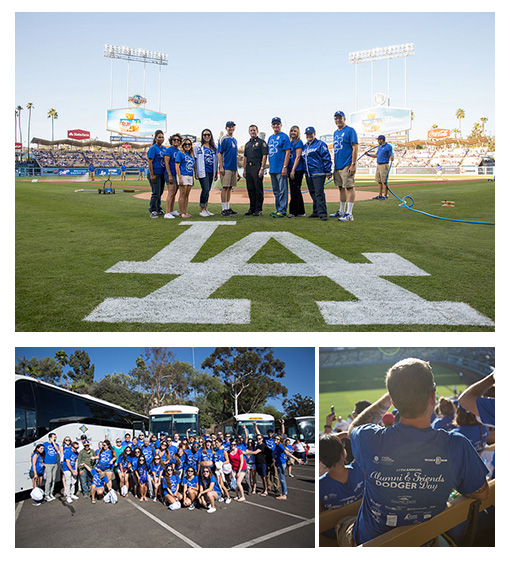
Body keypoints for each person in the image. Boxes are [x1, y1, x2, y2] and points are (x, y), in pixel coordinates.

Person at [341, 357, 489, 547]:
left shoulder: (370, 439)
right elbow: (481, 493)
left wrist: (393, 394)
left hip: (371, 543)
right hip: (425, 542)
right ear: (433, 397)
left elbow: (355, 427)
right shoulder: (458, 445)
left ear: (393, 402)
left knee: (342, 522)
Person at [319, 432, 365, 538]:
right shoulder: (359, 469)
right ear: (344, 453)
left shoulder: (321, 485)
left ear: (321, 460)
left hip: (334, 534)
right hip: (362, 523)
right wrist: (343, 434)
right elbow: (365, 447)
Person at [330, 111, 359, 222]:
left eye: (339, 118)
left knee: (349, 187)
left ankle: (349, 214)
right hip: (338, 165)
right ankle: (342, 211)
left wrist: (353, 164)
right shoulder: (335, 133)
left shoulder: (350, 130)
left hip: (347, 164)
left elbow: (355, 148)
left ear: (344, 118)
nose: (338, 120)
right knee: (341, 187)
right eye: (336, 118)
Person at [301, 126, 332, 220]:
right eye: (307, 134)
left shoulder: (320, 144)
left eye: (311, 134)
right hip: (308, 173)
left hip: (318, 172)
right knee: (313, 193)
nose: (309, 136)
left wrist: (328, 170)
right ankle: (316, 212)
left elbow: (326, 157)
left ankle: (323, 213)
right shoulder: (305, 146)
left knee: (319, 193)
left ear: (314, 134)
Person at [267, 117, 291, 218]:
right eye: (274, 124)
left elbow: (288, 152)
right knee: (276, 191)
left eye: (277, 124)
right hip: (272, 169)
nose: (276, 126)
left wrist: (285, 167)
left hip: (281, 169)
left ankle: (282, 210)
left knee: (282, 190)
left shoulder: (284, 137)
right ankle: (278, 209)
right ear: (271, 126)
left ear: (281, 125)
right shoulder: (270, 138)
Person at [242, 124, 268, 216]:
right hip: (249, 168)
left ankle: (258, 209)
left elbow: (264, 155)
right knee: (250, 189)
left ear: (257, 131)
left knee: (258, 189)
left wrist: (262, 168)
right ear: (249, 132)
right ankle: (252, 208)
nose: (253, 132)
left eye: (254, 130)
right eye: (251, 130)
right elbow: (245, 157)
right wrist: (244, 170)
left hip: (257, 167)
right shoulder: (248, 144)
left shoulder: (262, 142)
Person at [194, 129, 218, 217]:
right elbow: (195, 159)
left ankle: (206, 208)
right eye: (205, 135)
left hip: (211, 171)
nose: (207, 136)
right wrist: (195, 172)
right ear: (202, 136)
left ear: (211, 136)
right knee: (205, 189)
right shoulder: (198, 146)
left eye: (208, 135)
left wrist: (216, 173)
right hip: (202, 171)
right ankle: (202, 209)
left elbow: (216, 161)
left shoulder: (214, 147)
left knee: (207, 190)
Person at [217, 121, 239, 216]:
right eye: (229, 127)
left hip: (233, 167)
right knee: (225, 188)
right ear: (226, 128)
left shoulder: (234, 140)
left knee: (230, 188)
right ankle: (223, 209)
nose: (231, 128)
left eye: (232, 127)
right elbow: (219, 153)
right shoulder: (223, 139)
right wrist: (221, 167)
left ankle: (228, 207)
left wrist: (237, 170)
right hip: (226, 167)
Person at [273, 435, 303, 500]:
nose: (276, 440)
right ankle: (283, 492)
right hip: (279, 463)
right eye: (275, 438)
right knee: (281, 478)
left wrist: (297, 459)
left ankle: (284, 494)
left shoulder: (280, 445)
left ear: (280, 440)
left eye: (277, 439)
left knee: (282, 479)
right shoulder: (278, 445)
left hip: (281, 464)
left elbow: (287, 453)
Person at [147, 129, 167, 218]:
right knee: (155, 192)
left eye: (162, 137)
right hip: (155, 173)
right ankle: (153, 210)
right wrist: (152, 174)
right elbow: (150, 162)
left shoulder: (164, 149)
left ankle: (158, 208)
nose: (161, 139)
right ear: (155, 138)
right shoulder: (153, 148)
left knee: (160, 192)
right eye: (159, 137)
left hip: (162, 173)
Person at [175, 139, 196, 218]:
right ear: (183, 145)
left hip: (190, 176)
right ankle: (182, 213)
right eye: (185, 144)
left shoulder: (191, 155)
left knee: (187, 195)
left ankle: (185, 212)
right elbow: (177, 166)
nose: (187, 145)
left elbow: (192, 168)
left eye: (189, 144)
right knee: (182, 194)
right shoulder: (180, 154)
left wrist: (193, 178)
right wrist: (180, 178)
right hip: (183, 175)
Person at [368, 135, 394, 200]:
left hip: (384, 165)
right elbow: (376, 156)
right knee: (379, 181)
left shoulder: (388, 146)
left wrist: (392, 157)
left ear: (381, 140)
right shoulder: (379, 147)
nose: (377, 141)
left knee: (384, 181)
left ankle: (385, 195)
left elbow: (392, 154)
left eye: (378, 140)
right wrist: (368, 154)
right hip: (378, 165)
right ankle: (380, 195)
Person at [164, 133, 183, 219]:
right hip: (171, 173)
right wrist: (169, 175)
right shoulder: (169, 150)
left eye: (178, 140)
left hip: (176, 174)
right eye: (174, 140)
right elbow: (166, 162)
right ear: (171, 141)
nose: (176, 141)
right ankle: (167, 212)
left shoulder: (179, 151)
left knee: (174, 193)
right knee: (171, 192)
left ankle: (171, 210)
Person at [288, 125, 305, 218]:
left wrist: (293, 170)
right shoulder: (290, 142)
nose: (293, 133)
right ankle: (301, 211)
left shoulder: (298, 142)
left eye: (295, 131)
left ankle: (293, 212)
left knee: (295, 190)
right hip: (291, 169)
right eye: (291, 131)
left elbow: (298, 157)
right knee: (296, 190)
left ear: (298, 132)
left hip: (297, 169)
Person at [43, 432, 60, 501]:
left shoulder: (56, 444)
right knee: (49, 480)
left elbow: (57, 449)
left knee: (53, 479)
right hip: (48, 464)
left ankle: (51, 493)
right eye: (54, 437)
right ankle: (46, 494)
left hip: (54, 463)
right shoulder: (45, 444)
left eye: (56, 437)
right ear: (50, 437)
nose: (55, 438)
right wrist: (42, 462)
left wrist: (53, 442)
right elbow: (40, 452)